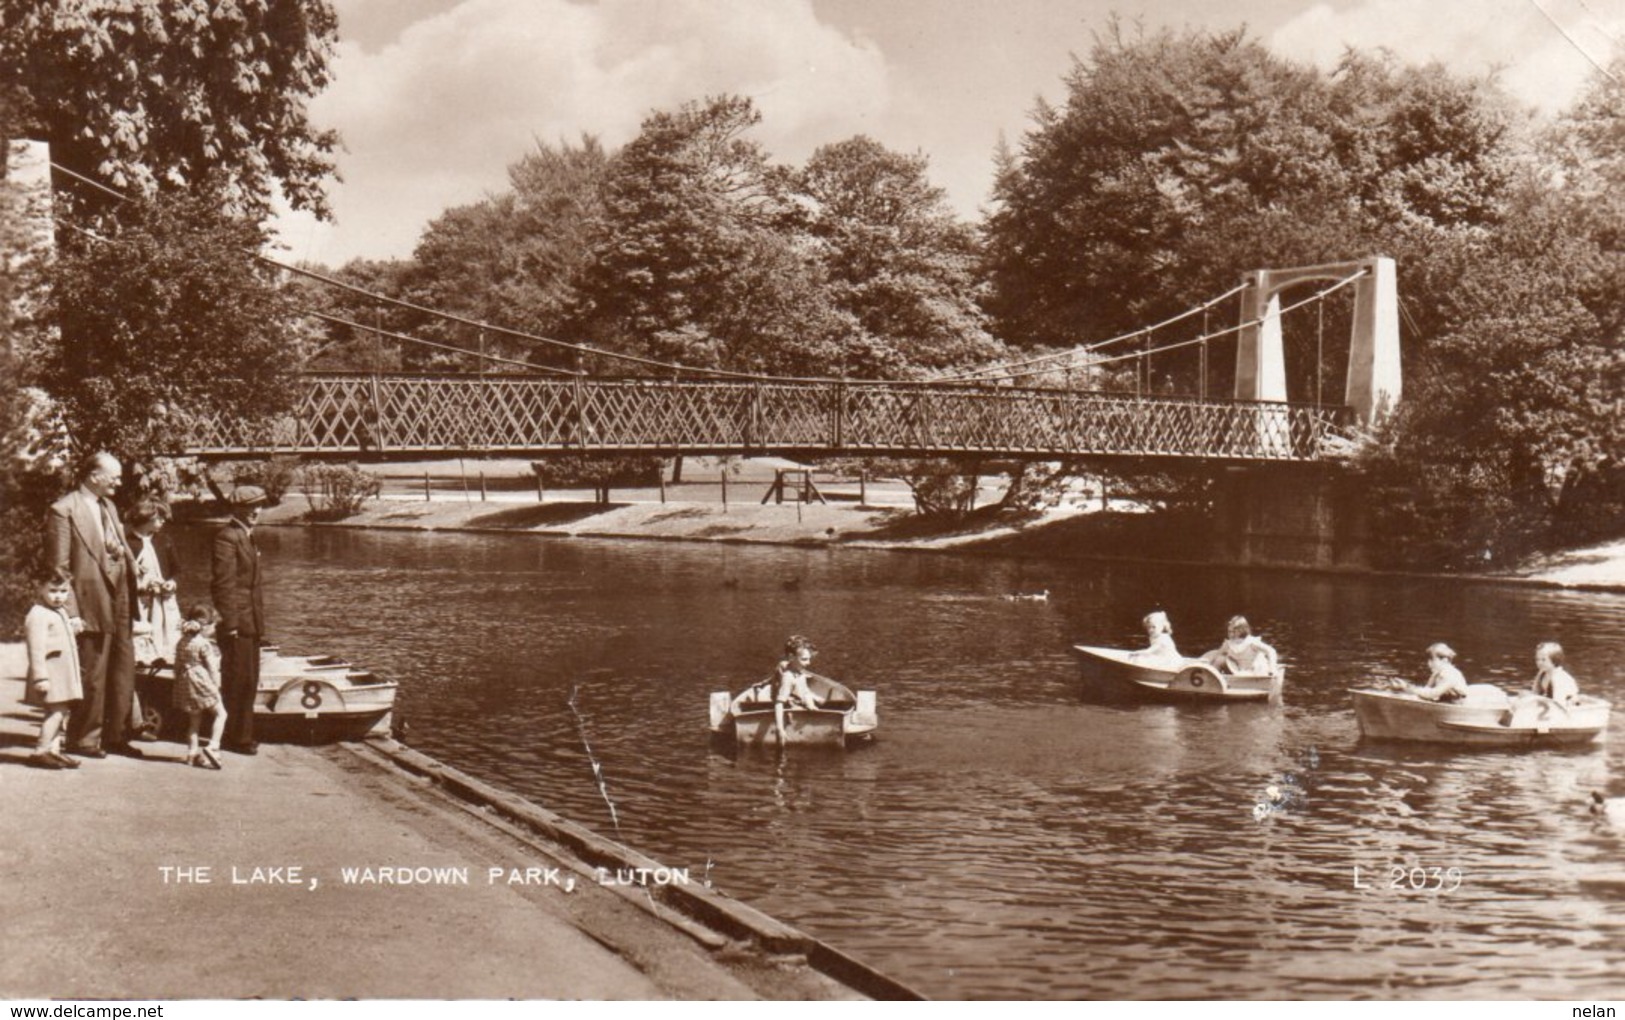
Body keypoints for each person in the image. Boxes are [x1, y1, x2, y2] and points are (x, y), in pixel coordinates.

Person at [45, 451, 141, 759]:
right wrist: (70, 612)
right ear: (93, 475)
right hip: (90, 601)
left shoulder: (109, 505)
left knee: (123, 669)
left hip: (123, 595)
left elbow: (118, 547)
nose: (119, 481)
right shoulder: (63, 510)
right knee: (94, 673)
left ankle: (116, 735)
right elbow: (58, 568)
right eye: (113, 476)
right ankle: (84, 739)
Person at [212, 485, 268, 755]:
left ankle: (242, 733)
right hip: (238, 622)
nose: (256, 511)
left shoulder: (247, 536)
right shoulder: (227, 537)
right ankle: (235, 737)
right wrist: (231, 623)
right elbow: (224, 585)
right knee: (238, 679)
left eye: (259, 506)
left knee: (248, 679)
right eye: (249, 507)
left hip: (251, 621)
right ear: (237, 509)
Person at [24, 570, 85, 770]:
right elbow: (36, 649)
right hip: (51, 673)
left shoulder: (59, 611)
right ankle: (40, 751)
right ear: (40, 589)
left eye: (63, 591)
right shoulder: (38, 614)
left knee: (60, 711)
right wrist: (40, 677)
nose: (58, 596)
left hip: (63, 673)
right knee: (57, 712)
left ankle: (54, 750)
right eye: (52, 591)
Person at [127, 500, 181, 667]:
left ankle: (165, 658)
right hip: (139, 600)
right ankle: (143, 661)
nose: (163, 521)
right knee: (142, 629)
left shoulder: (164, 541)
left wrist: (171, 582)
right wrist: (141, 586)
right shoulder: (128, 544)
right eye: (159, 518)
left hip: (162, 598)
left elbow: (176, 570)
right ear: (145, 518)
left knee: (166, 628)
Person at [173, 604, 226, 770]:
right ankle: (213, 746)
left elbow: (177, 665)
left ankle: (191, 754)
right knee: (221, 714)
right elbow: (212, 668)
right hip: (201, 681)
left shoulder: (181, 642)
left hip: (185, 681)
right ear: (204, 625)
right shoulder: (204, 644)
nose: (214, 628)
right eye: (213, 625)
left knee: (194, 720)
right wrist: (217, 686)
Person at [773, 635, 823, 740]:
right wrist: (779, 728)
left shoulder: (798, 671)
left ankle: (812, 704)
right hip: (794, 709)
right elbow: (779, 703)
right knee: (813, 705)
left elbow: (804, 689)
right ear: (791, 657)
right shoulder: (788, 677)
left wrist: (814, 697)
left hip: (801, 699)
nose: (808, 663)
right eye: (804, 659)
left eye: (809, 659)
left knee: (816, 699)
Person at [1202, 616, 1278, 675]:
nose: (1230, 634)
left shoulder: (1251, 642)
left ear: (1241, 630)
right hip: (1237, 672)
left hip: (1254, 672)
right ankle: (1212, 681)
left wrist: (1272, 668)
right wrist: (1206, 663)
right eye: (1229, 631)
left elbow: (1271, 651)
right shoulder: (1228, 644)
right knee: (1219, 659)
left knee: (1258, 665)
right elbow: (1216, 655)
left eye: (1233, 631)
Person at [1403, 642, 1468, 702]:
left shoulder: (1451, 674)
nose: (1429, 664)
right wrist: (1406, 688)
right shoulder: (1436, 673)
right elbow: (1426, 690)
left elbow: (1432, 694)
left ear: (1444, 660)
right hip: (1447, 702)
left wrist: (1409, 688)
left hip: (1458, 704)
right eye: (1428, 661)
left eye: (1432, 660)